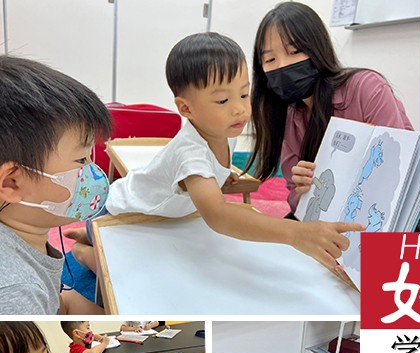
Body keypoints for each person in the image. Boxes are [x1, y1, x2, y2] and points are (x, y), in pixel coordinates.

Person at [65, 32, 361, 273]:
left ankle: (87, 234)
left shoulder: (220, 130)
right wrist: (295, 233)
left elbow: (212, 174)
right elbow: (217, 216)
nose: (239, 108)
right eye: (222, 100)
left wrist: (222, 176)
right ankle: (83, 246)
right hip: (121, 215)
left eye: (244, 94)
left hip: (155, 216)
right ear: (186, 108)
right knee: (119, 274)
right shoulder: (190, 154)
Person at [248, 2, 414, 217]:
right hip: (325, 216)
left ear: (317, 47)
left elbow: (396, 174)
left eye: (295, 51)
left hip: (385, 213)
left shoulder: (366, 88)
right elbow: (295, 197)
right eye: (270, 59)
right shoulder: (289, 114)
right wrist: (303, 190)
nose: (282, 65)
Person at [0, 56, 111, 315]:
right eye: (81, 159)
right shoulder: (17, 294)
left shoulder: (22, 234)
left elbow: (62, 303)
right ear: (12, 183)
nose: (92, 171)